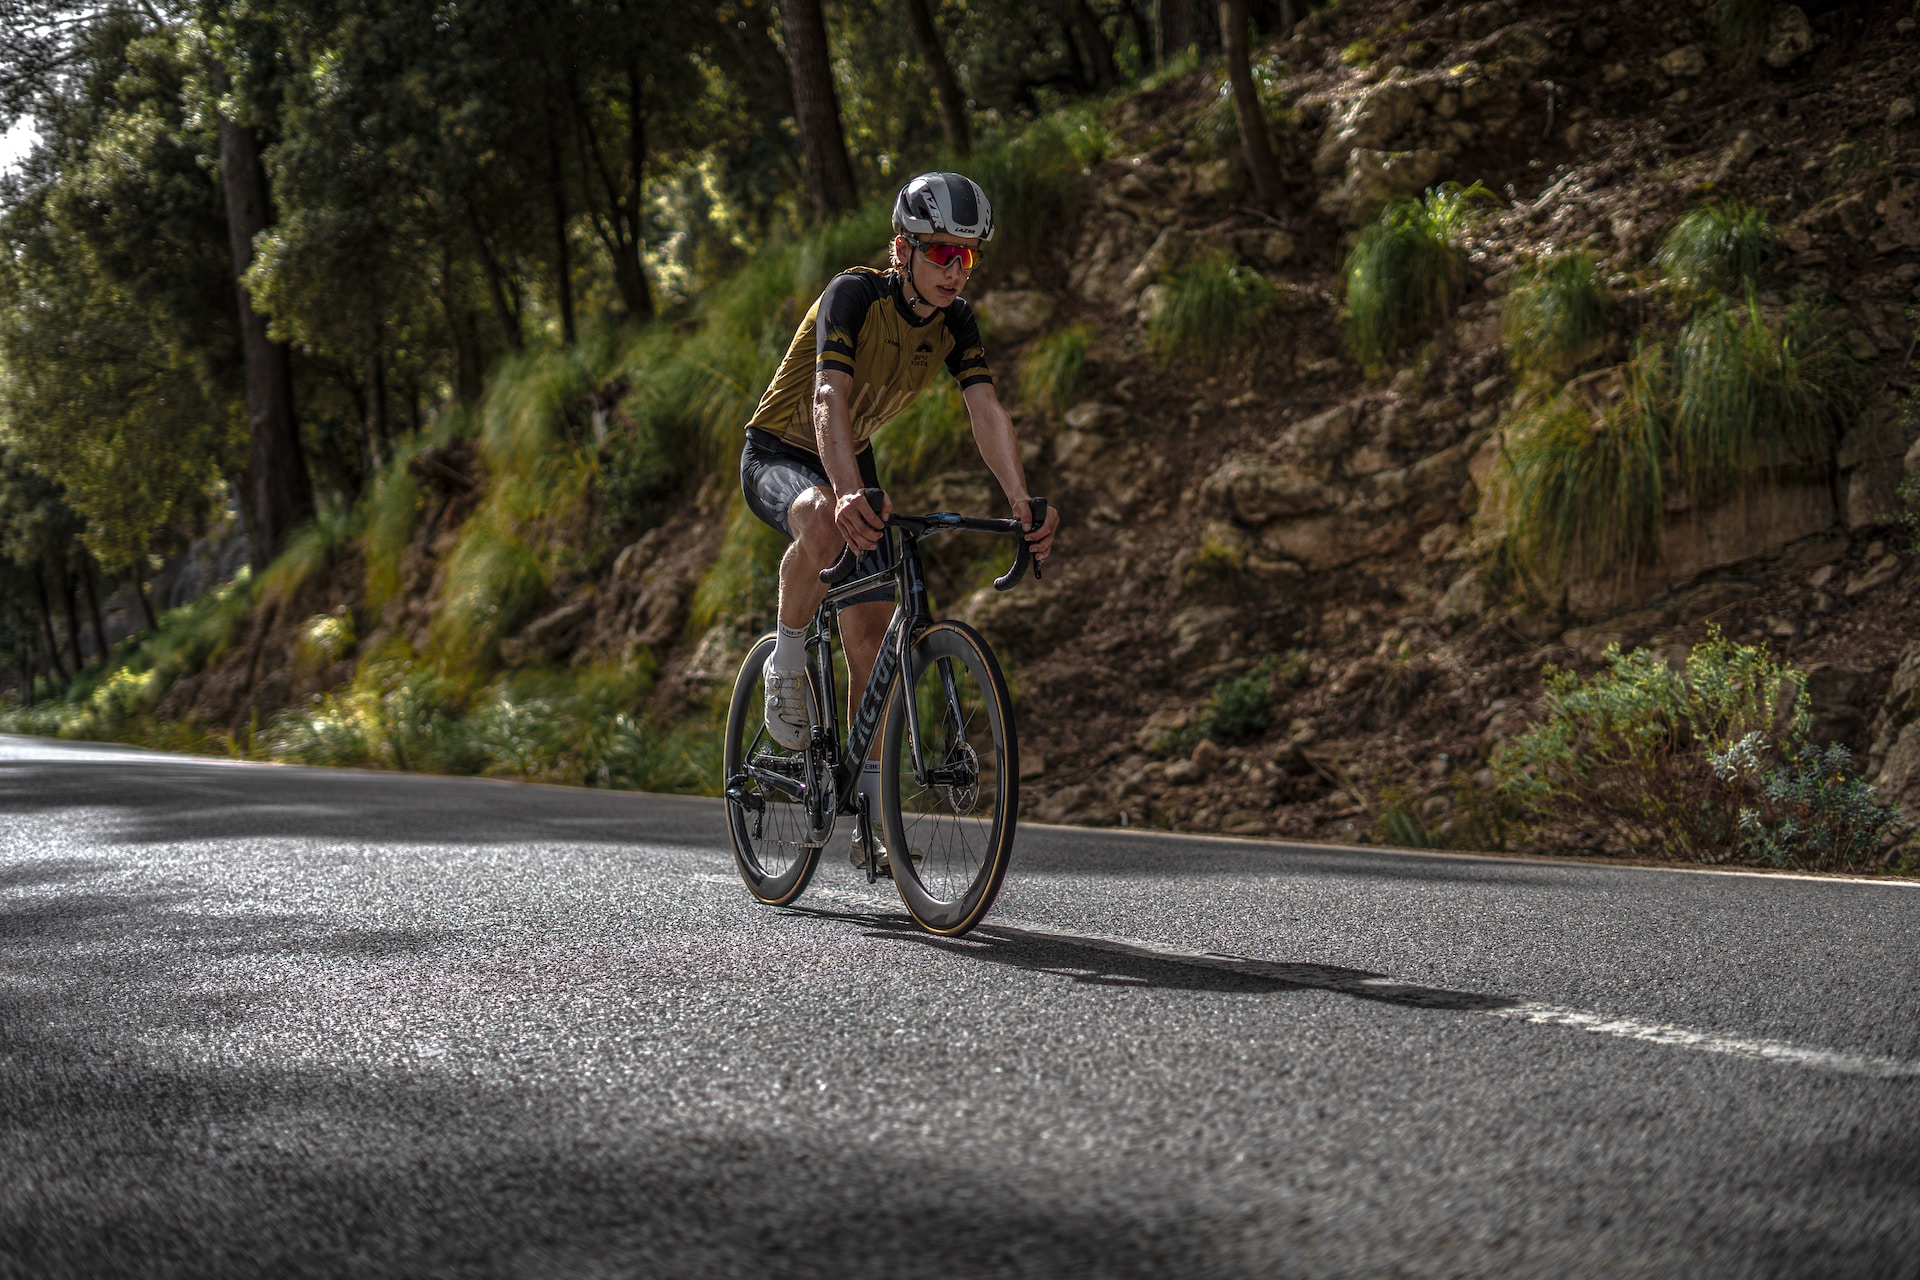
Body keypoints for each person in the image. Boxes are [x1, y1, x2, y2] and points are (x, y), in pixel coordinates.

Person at [738, 171, 1060, 868]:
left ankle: (868, 819)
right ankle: (786, 666)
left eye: (966, 256)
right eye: (940, 252)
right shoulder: (852, 295)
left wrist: (1020, 500)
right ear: (903, 248)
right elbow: (828, 396)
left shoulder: (955, 322)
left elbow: (984, 409)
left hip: (852, 461)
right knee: (825, 515)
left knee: (874, 641)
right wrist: (850, 491)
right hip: (781, 453)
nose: (954, 270)